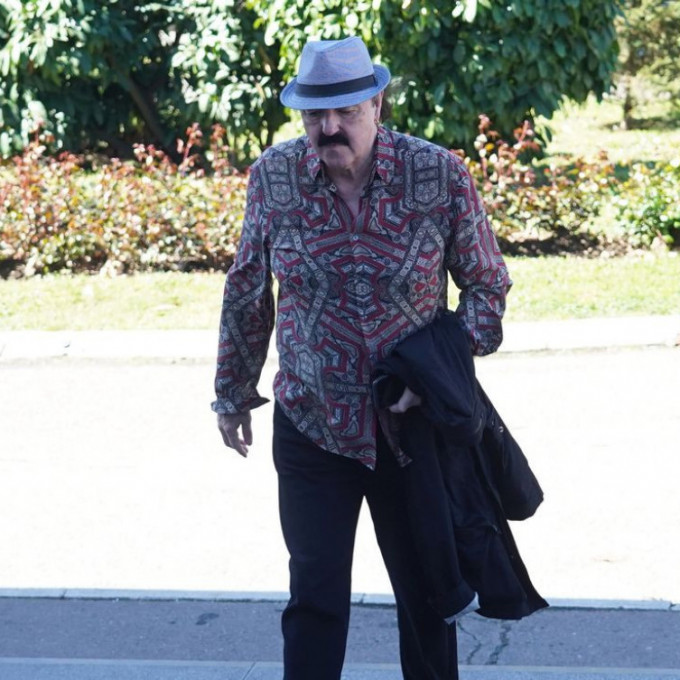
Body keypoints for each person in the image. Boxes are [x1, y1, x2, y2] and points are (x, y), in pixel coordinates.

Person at [212, 36, 512, 680]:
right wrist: (232, 393)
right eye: (315, 113)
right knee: (314, 598)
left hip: (411, 432)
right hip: (311, 423)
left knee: (427, 599)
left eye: (346, 111)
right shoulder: (274, 177)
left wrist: (436, 374)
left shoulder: (437, 175)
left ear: (377, 104)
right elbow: (248, 289)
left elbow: (487, 287)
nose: (329, 127)